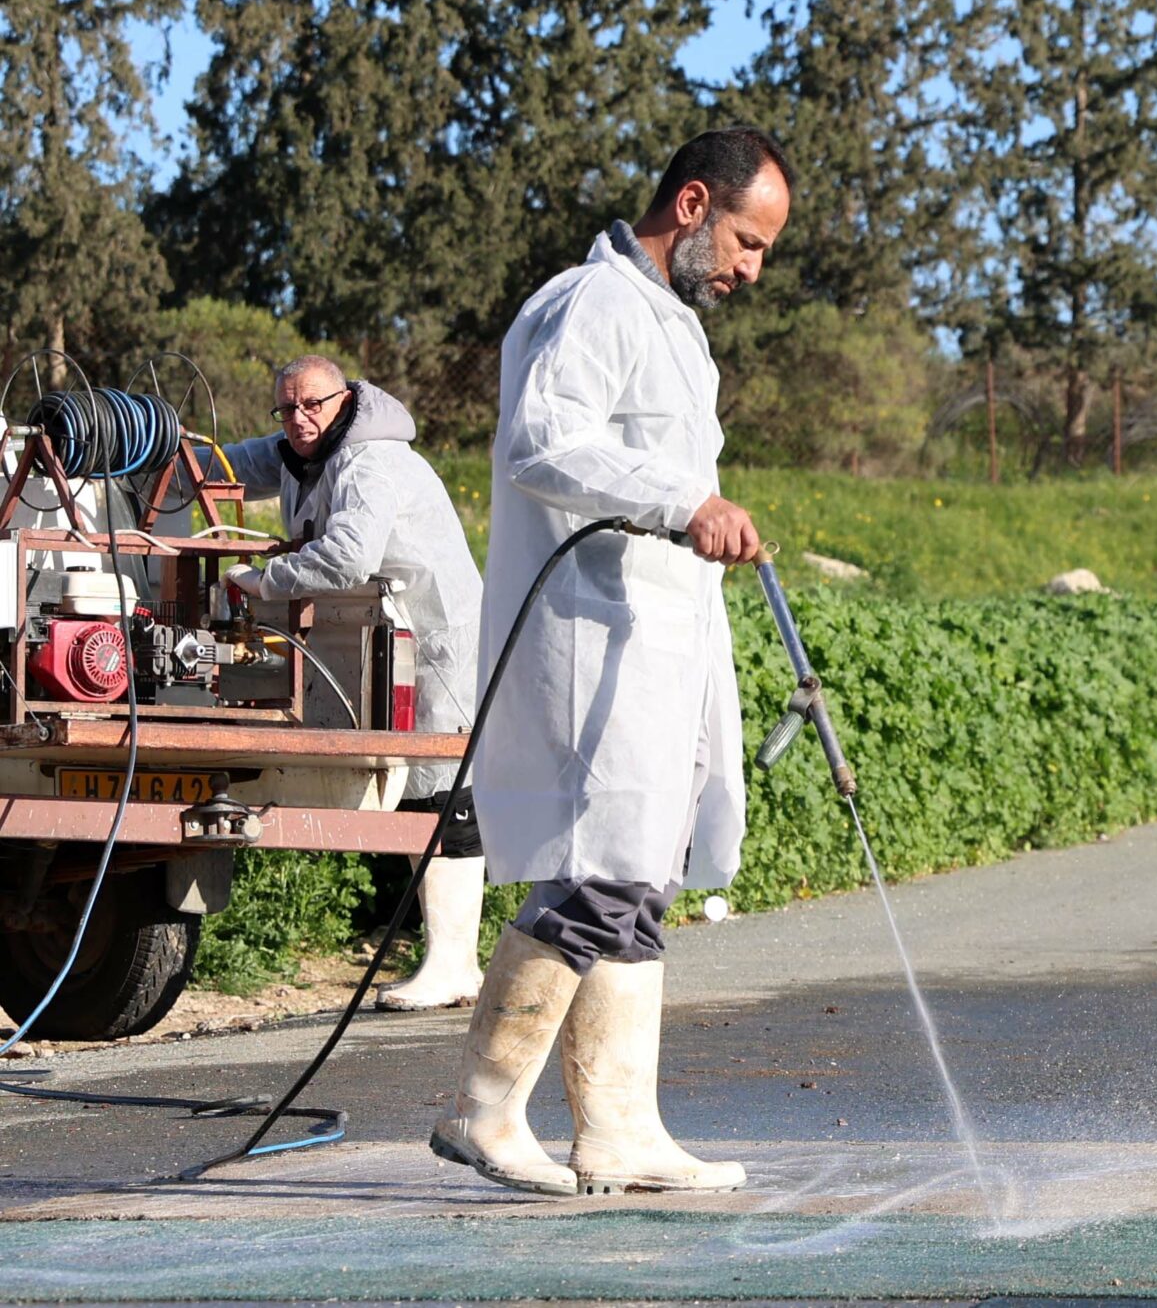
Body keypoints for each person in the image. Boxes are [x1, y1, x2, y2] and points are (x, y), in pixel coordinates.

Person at [430, 127, 791, 1197]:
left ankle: (619, 1128)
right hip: (590, 640)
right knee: (598, 877)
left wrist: (697, 516)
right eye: (745, 239)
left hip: (659, 640)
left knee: (639, 884)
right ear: (690, 204)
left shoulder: (672, 325)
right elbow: (542, 441)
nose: (749, 269)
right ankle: (483, 1109)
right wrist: (686, 503)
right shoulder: (588, 304)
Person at [211, 355, 487, 1011]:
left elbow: (346, 555)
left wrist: (261, 581)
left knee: (442, 790)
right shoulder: (299, 448)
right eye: (286, 407)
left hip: (438, 635)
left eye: (312, 404)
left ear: (345, 399)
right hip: (387, 636)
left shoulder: (371, 461)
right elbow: (226, 465)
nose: (298, 419)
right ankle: (452, 960)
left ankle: (454, 962)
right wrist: (152, 456)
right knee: (418, 789)